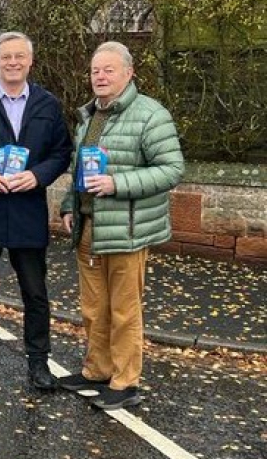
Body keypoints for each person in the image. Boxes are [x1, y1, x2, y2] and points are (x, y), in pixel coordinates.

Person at [58, 41, 184, 410]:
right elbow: (79, 169)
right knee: (93, 307)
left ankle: (126, 381)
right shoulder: (90, 116)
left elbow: (172, 170)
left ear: (129, 74)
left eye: (109, 70)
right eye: (95, 70)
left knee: (125, 310)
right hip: (89, 228)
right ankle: (97, 369)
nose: (100, 76)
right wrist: (70, 205)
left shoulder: (150, 115)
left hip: (127, 231)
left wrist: (118, 183)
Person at [0, 31, 72, 389]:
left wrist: (37, 176)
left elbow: (61, 152)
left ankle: (39, 363)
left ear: (30, 61)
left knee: (35, 293)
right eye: (6, 57)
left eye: (20, 56)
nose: (13, 63)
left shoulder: (47, 104)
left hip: (26, 209)